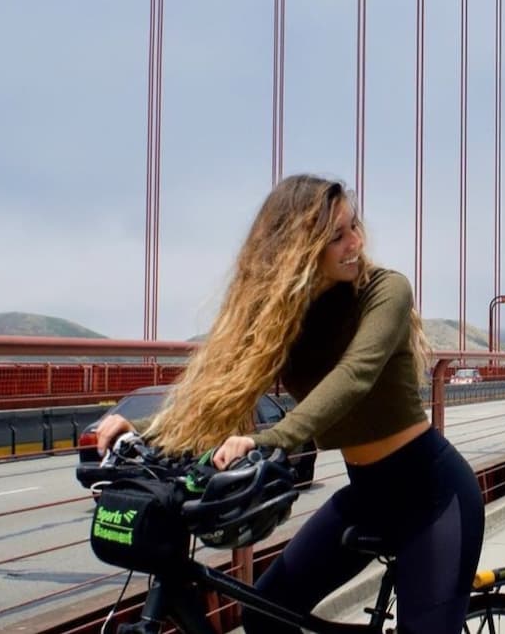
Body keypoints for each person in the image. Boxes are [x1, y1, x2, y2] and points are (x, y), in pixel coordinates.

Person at [94, 174, 485, 633]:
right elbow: (221, 391)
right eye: (336, 236)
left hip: (433, 495)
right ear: (299, 249)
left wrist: (271, 439)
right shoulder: (285, 318)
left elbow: (354, 376)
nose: (355, 242)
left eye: (354, 227)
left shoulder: (386, 290)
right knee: (263, 614)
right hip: (366, 497)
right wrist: (144, 432)